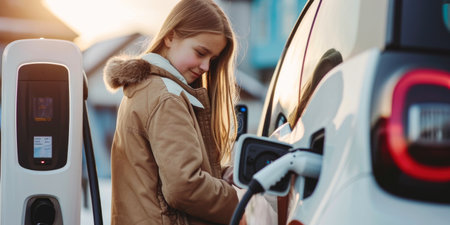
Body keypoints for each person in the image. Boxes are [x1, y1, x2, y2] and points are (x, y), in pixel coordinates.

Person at [103, 0, 240, 224]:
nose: (206, 66)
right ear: (170, 37)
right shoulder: (167, 97)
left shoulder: (147, 90)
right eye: (200, 52)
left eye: (212, 59)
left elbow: (161, 175)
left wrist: (219, 176)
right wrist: (238, 202)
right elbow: (184, 186)